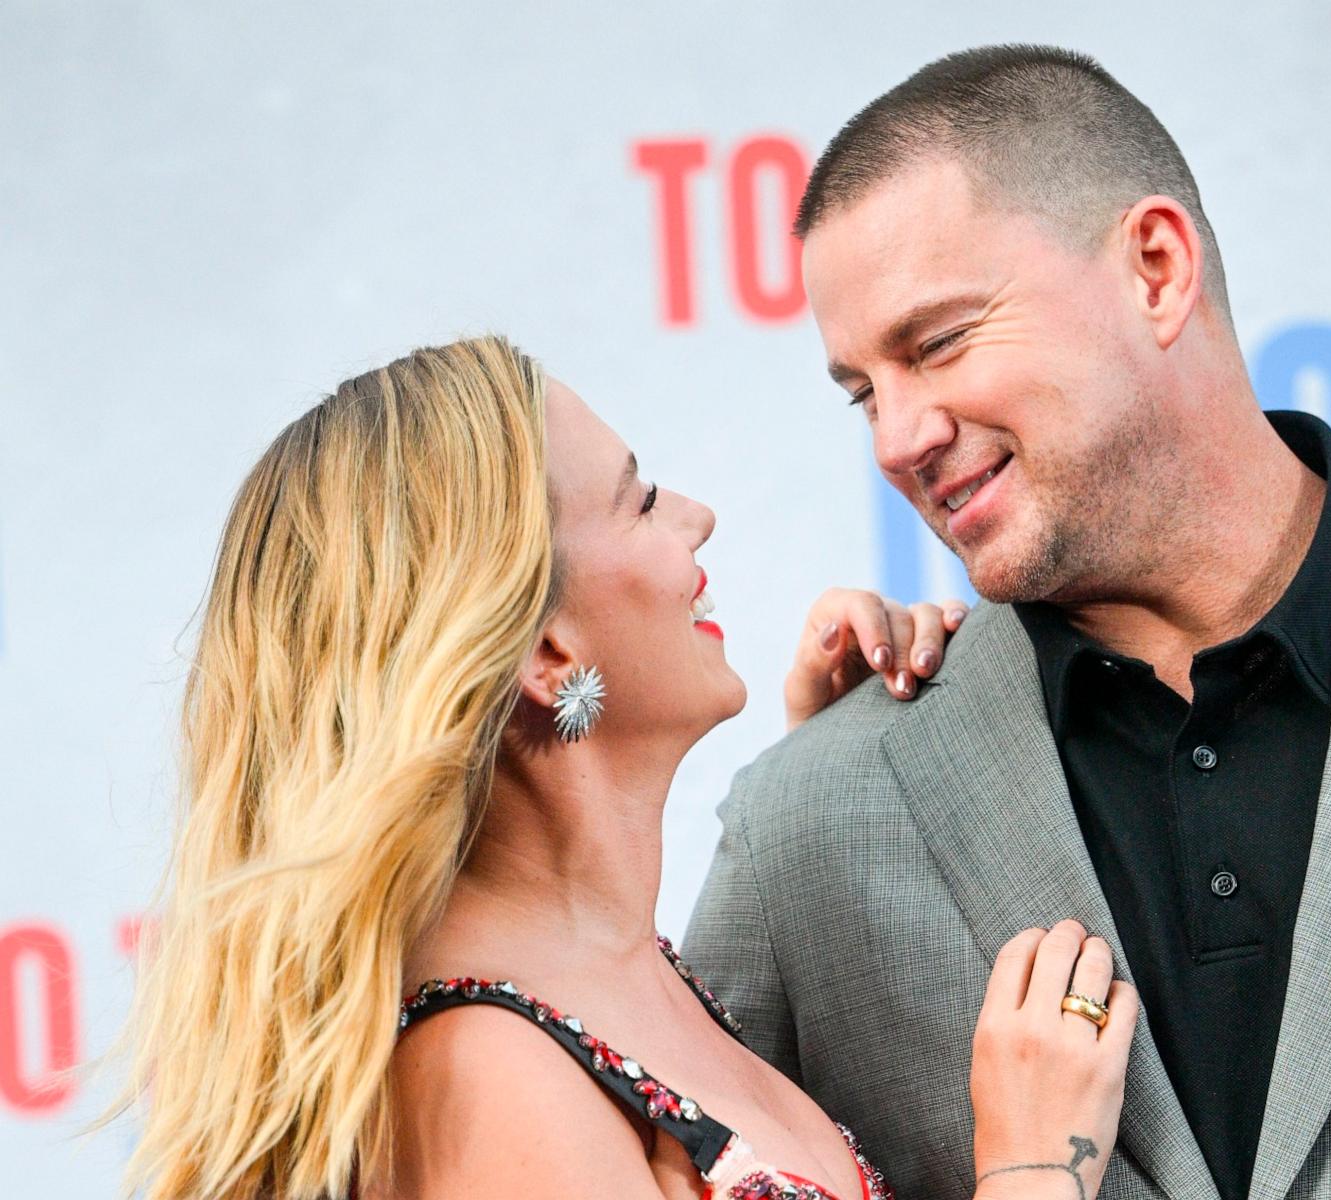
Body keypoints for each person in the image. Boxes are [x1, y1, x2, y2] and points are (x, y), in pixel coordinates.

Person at [686, 44, 1331, 1200]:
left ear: (1156, 269)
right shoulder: (811, 824)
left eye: (939, 343)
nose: (897, 439)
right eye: (864, 390)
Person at [110, 335, 1142, 1200]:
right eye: (640, 500)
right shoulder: (489, 1077)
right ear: (546, 654)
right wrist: (1031, 1171)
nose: (695, 515)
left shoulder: (613, 977)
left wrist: (837, 779)